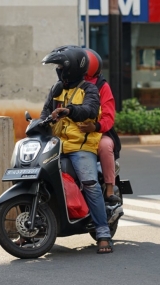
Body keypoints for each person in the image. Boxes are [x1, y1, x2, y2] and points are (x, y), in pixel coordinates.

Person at [40, 45, 113, 254]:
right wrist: (41, 121)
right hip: (56, 145)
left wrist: (70, 111)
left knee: (90, 184)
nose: (59, 71)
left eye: (61, 67)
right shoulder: (56, 89)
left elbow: (89, 110)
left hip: (80, 145)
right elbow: (45, 112)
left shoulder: (89, 89)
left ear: (71, 68)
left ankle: (103, 231)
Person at [78, 48, 122, 204]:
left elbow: (108, 117)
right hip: (71, 133)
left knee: (105, 146)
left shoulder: (102, 86)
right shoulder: (65, 83)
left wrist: (95, 127)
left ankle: (109, 189)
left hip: (98, 132)